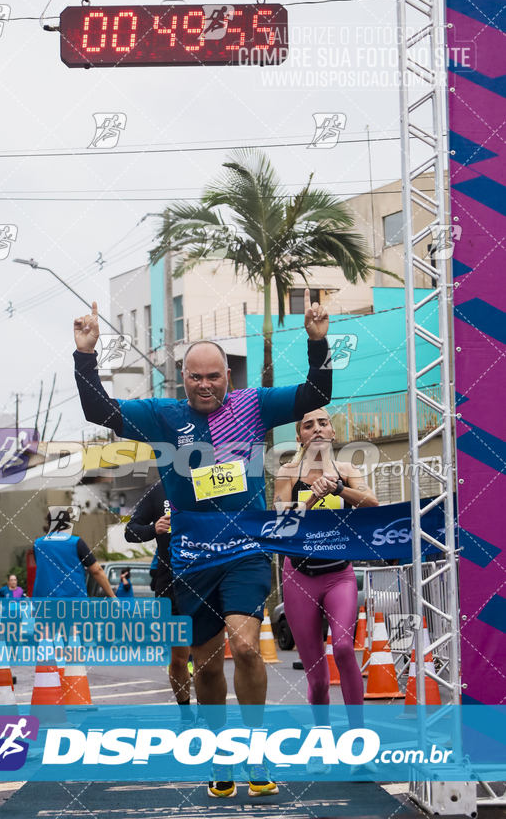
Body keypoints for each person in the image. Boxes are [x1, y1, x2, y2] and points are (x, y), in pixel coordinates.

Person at [73, 292, 332, 799]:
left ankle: (255, 752)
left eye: (214, 376)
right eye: (196, 376)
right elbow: (96, 408)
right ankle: (220, 753)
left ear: (227, 378)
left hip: (244, 549)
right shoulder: (161, 415)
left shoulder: (254, 405)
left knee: (243, 648)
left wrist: (317, 342)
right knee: (208, 664)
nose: (205, 384)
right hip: (191, 560)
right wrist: (86, 353)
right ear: (183, 380)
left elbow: (313, 392)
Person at [274, 409, 378, 748]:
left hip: (339, 574)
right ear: (300, 436)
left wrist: (338, 488)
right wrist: (314, 497)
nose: (317, 428)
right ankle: (322, 739)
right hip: (299, 576)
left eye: (323, 423)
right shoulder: (287, 473)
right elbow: (280, 525)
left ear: (332, 432)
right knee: (317, 679)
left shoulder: (348, 470)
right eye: (308, 425)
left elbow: (372, 503)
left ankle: (358, 739)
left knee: (345, 646)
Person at [125, 480, 193, 729]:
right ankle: (186, 717)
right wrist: (154, 528)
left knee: (209, 660)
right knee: (178, 660)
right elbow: (130, 531)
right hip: (170, 582)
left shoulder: (211, 478)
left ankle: (209, 718)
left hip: (207, 576)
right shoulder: (159, 489)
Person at [32, 508, 115, 599]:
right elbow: (97, 571)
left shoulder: (38, 544)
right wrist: (112, 596)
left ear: (49, 523)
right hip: (73, 601)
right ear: (67, 524)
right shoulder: (76, 543)